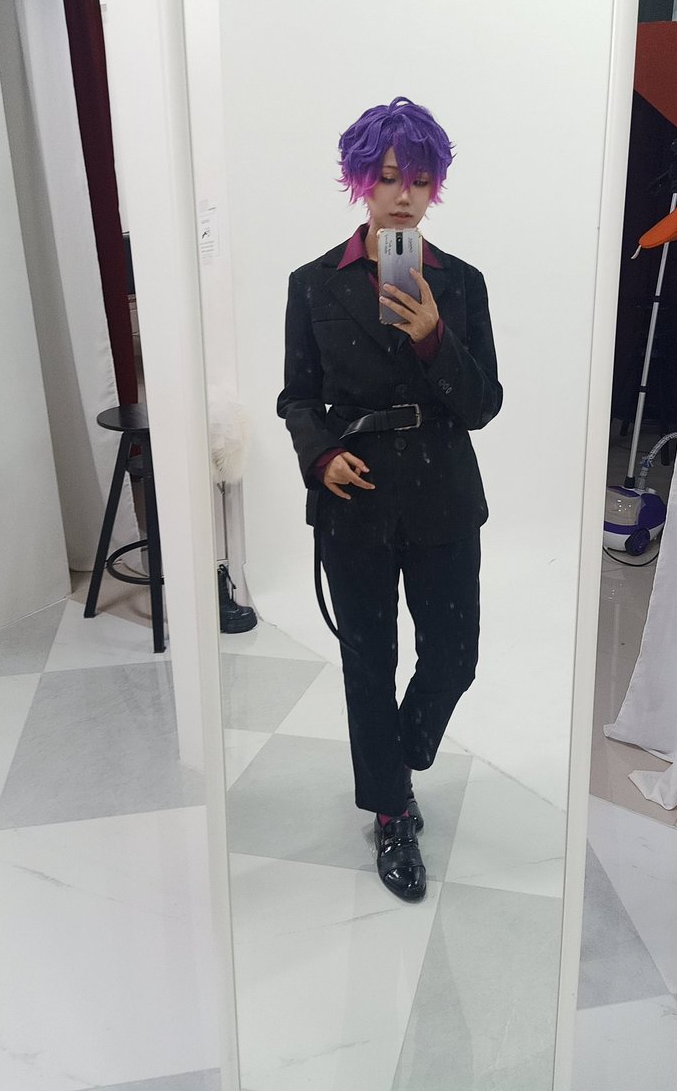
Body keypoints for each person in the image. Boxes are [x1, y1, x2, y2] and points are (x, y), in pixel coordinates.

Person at [277, 96, 502, 901]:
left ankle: (396, 758)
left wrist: (435, 336)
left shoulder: (462, 284)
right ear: (359, 180)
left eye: (420, 179)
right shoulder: (312, 285)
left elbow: (482, 404)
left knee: (454, 657)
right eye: (387, 176)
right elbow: (296, 396)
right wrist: (320, 455)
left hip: (444, 494)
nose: (403, 194)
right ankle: (390, 811)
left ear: (436, 186)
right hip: (357, 501)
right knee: (368, 664)